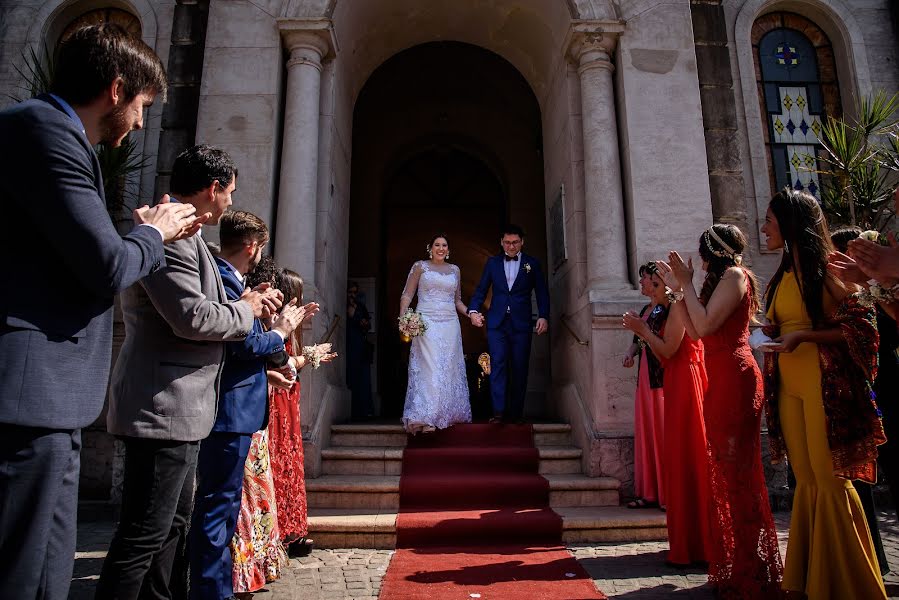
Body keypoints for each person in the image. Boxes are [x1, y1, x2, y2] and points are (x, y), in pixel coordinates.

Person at [0, 23, 206, 600]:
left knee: (48, 569)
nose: (142, 121)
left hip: (53, 402)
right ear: (116, 90)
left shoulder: (61, 139)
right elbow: (108, 267)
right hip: (27, 397)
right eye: (142, 105)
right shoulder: (43, 133)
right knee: (20, 570)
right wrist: (154, 232)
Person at [98, 146, 281, 600]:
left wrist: (242, 299)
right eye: (230, 194)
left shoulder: (191, 234)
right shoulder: (172, 234)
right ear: (213, 188)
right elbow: (192, 317)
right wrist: (246, 308)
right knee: (144, 536)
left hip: (181, 407)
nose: (230, 205)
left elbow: (211, 305)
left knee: (171, 530)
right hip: (163, 404)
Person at [761, 188, 886, 599]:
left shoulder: (829, 269)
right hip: (789, 387)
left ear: (791, 225)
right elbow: (790, 323)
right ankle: (812, 578)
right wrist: (775, 332)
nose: (764, 229)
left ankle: (852, 585)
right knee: (808, 481)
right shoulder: (781, 275)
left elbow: (863, 329)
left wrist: (804, 336)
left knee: (831, 481)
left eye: (771, 221)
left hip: (823, 384)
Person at [656, 224, 783, 597]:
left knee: (738, 472)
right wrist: (679, 289)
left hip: (736, 375)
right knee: (727, 472)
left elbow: (708, 324)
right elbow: (695, 332)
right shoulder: (720, 279)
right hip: (720, 376)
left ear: (711, 254)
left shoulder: (734, 275)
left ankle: (751, 566)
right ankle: (739, 560)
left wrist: (687, 285)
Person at [190, 210, 310, 600]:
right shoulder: (224, 280)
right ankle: (212, 591)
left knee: (224, 512)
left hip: (240, 407)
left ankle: (218, 586)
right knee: (218, 509)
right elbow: (243, 345)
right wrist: (281, 332)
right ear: (253, 246)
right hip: (229, 410)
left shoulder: (238, 282)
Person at [623, 268, 714, 567]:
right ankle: (688, 537)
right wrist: (639, 339)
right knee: (678, 456)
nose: (646, 286)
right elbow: (660, 352)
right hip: (672, 378)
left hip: (682, 383)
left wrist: (643, 332)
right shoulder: (661, 308)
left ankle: (699, 539)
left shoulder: (676, 308)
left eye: (651, 280)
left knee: (689, 454)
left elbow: (669, 350)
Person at [831, 226, 894, 576]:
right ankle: (871, 560)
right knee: (858, 479)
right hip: (860, 390)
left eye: (842, 257)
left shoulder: (880, 292)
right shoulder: (857, 294)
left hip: (883, 387)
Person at [468, 225, 550, 423]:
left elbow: (541, 291)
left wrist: (543, 316)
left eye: (514, 242)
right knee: (498, 365)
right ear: (501, 242)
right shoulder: (493, 263)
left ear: (522, 242)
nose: (511, 246)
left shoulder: (532, 264)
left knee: (520, 367)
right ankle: (498, 412)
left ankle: (516, 414)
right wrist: (473, 311)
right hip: (497, 323)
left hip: (521, 323)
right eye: (507, 242)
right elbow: (481, 289)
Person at [399, 234, 472, 433]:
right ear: (430, 248)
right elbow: (407, 294)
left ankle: (444, 414)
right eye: (437, 245)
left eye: (444, 245)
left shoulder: (455, 270)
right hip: (426, 321)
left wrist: (470, 313)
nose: (441, 248)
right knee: (429, 366)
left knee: (447, 366)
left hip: (450, 323)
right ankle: (425, 417)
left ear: (449, 250)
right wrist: (403, 318)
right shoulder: (420, 267)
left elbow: (457, 301)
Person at [623, 263, 667, 510]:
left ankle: (667, 493)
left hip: (660, 378)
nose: (641, 283)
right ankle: (650, 491)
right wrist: (630, 354)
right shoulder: (644, 309)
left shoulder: (666, 310)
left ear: (656, 282)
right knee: (647, 434)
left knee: (661, 434)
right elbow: (637, 341)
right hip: (645, 376)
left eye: (644, 280)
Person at [346, 281, 374, 420]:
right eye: (350, 292)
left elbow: (368, 324)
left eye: (355, 292)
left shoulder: (361, 306)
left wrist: (364, 323)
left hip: (360, 343)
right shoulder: (344, 305)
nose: (352, 295)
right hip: (349, 343)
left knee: (363, 377)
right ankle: (353, 411)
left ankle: (365, 410)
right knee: (352, 375)